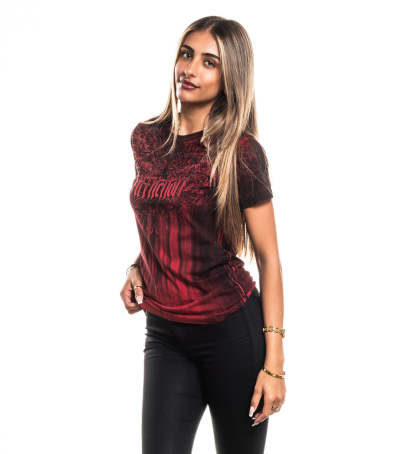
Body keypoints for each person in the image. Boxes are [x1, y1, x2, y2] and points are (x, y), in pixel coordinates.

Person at [120, 16, 286, 454]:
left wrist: (274, 364)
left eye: (209, 62)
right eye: (186, 54)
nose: (190, 69)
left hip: (231, 332)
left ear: (230, 77)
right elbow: (166, 216)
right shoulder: (146, 139)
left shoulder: (241, 153)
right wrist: (138, 266)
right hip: (165, 335)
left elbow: (268, 259)